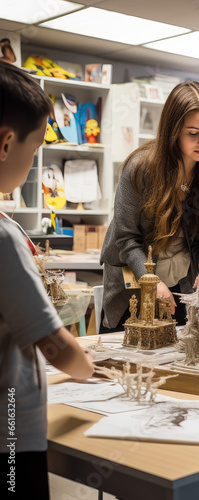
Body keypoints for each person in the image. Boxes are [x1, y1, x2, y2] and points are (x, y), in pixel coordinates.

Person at [0, 61, 94, 499]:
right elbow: (54, 345)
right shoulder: (3, 237)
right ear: (5, 144)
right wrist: (88, 368)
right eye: (35, 147)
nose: (33, 159)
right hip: (11, 435)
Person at [100, 80, 199, 331]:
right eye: (193, 133)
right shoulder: (140, 168)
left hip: (181, 287)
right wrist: (152, 283)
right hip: (136, 286)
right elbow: (126, 239)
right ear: (174, 130)